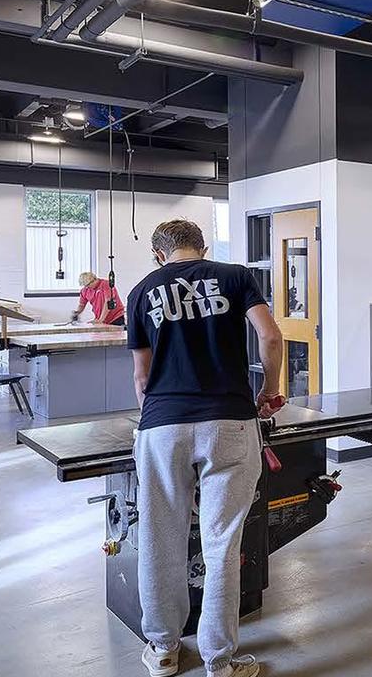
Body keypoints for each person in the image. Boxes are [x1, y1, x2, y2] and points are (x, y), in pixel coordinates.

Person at [126, 220, 285, 677]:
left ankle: (162, 650)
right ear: (203, 247)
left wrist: (159, 413)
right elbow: (270, 336)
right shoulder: (234, 275)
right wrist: (269, 391)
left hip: (162, 426)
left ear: (159, 254)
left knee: (160, 539)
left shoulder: (140, 292)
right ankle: (220, 662)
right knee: (221, 544)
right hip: (229, 422)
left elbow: (141, 376)